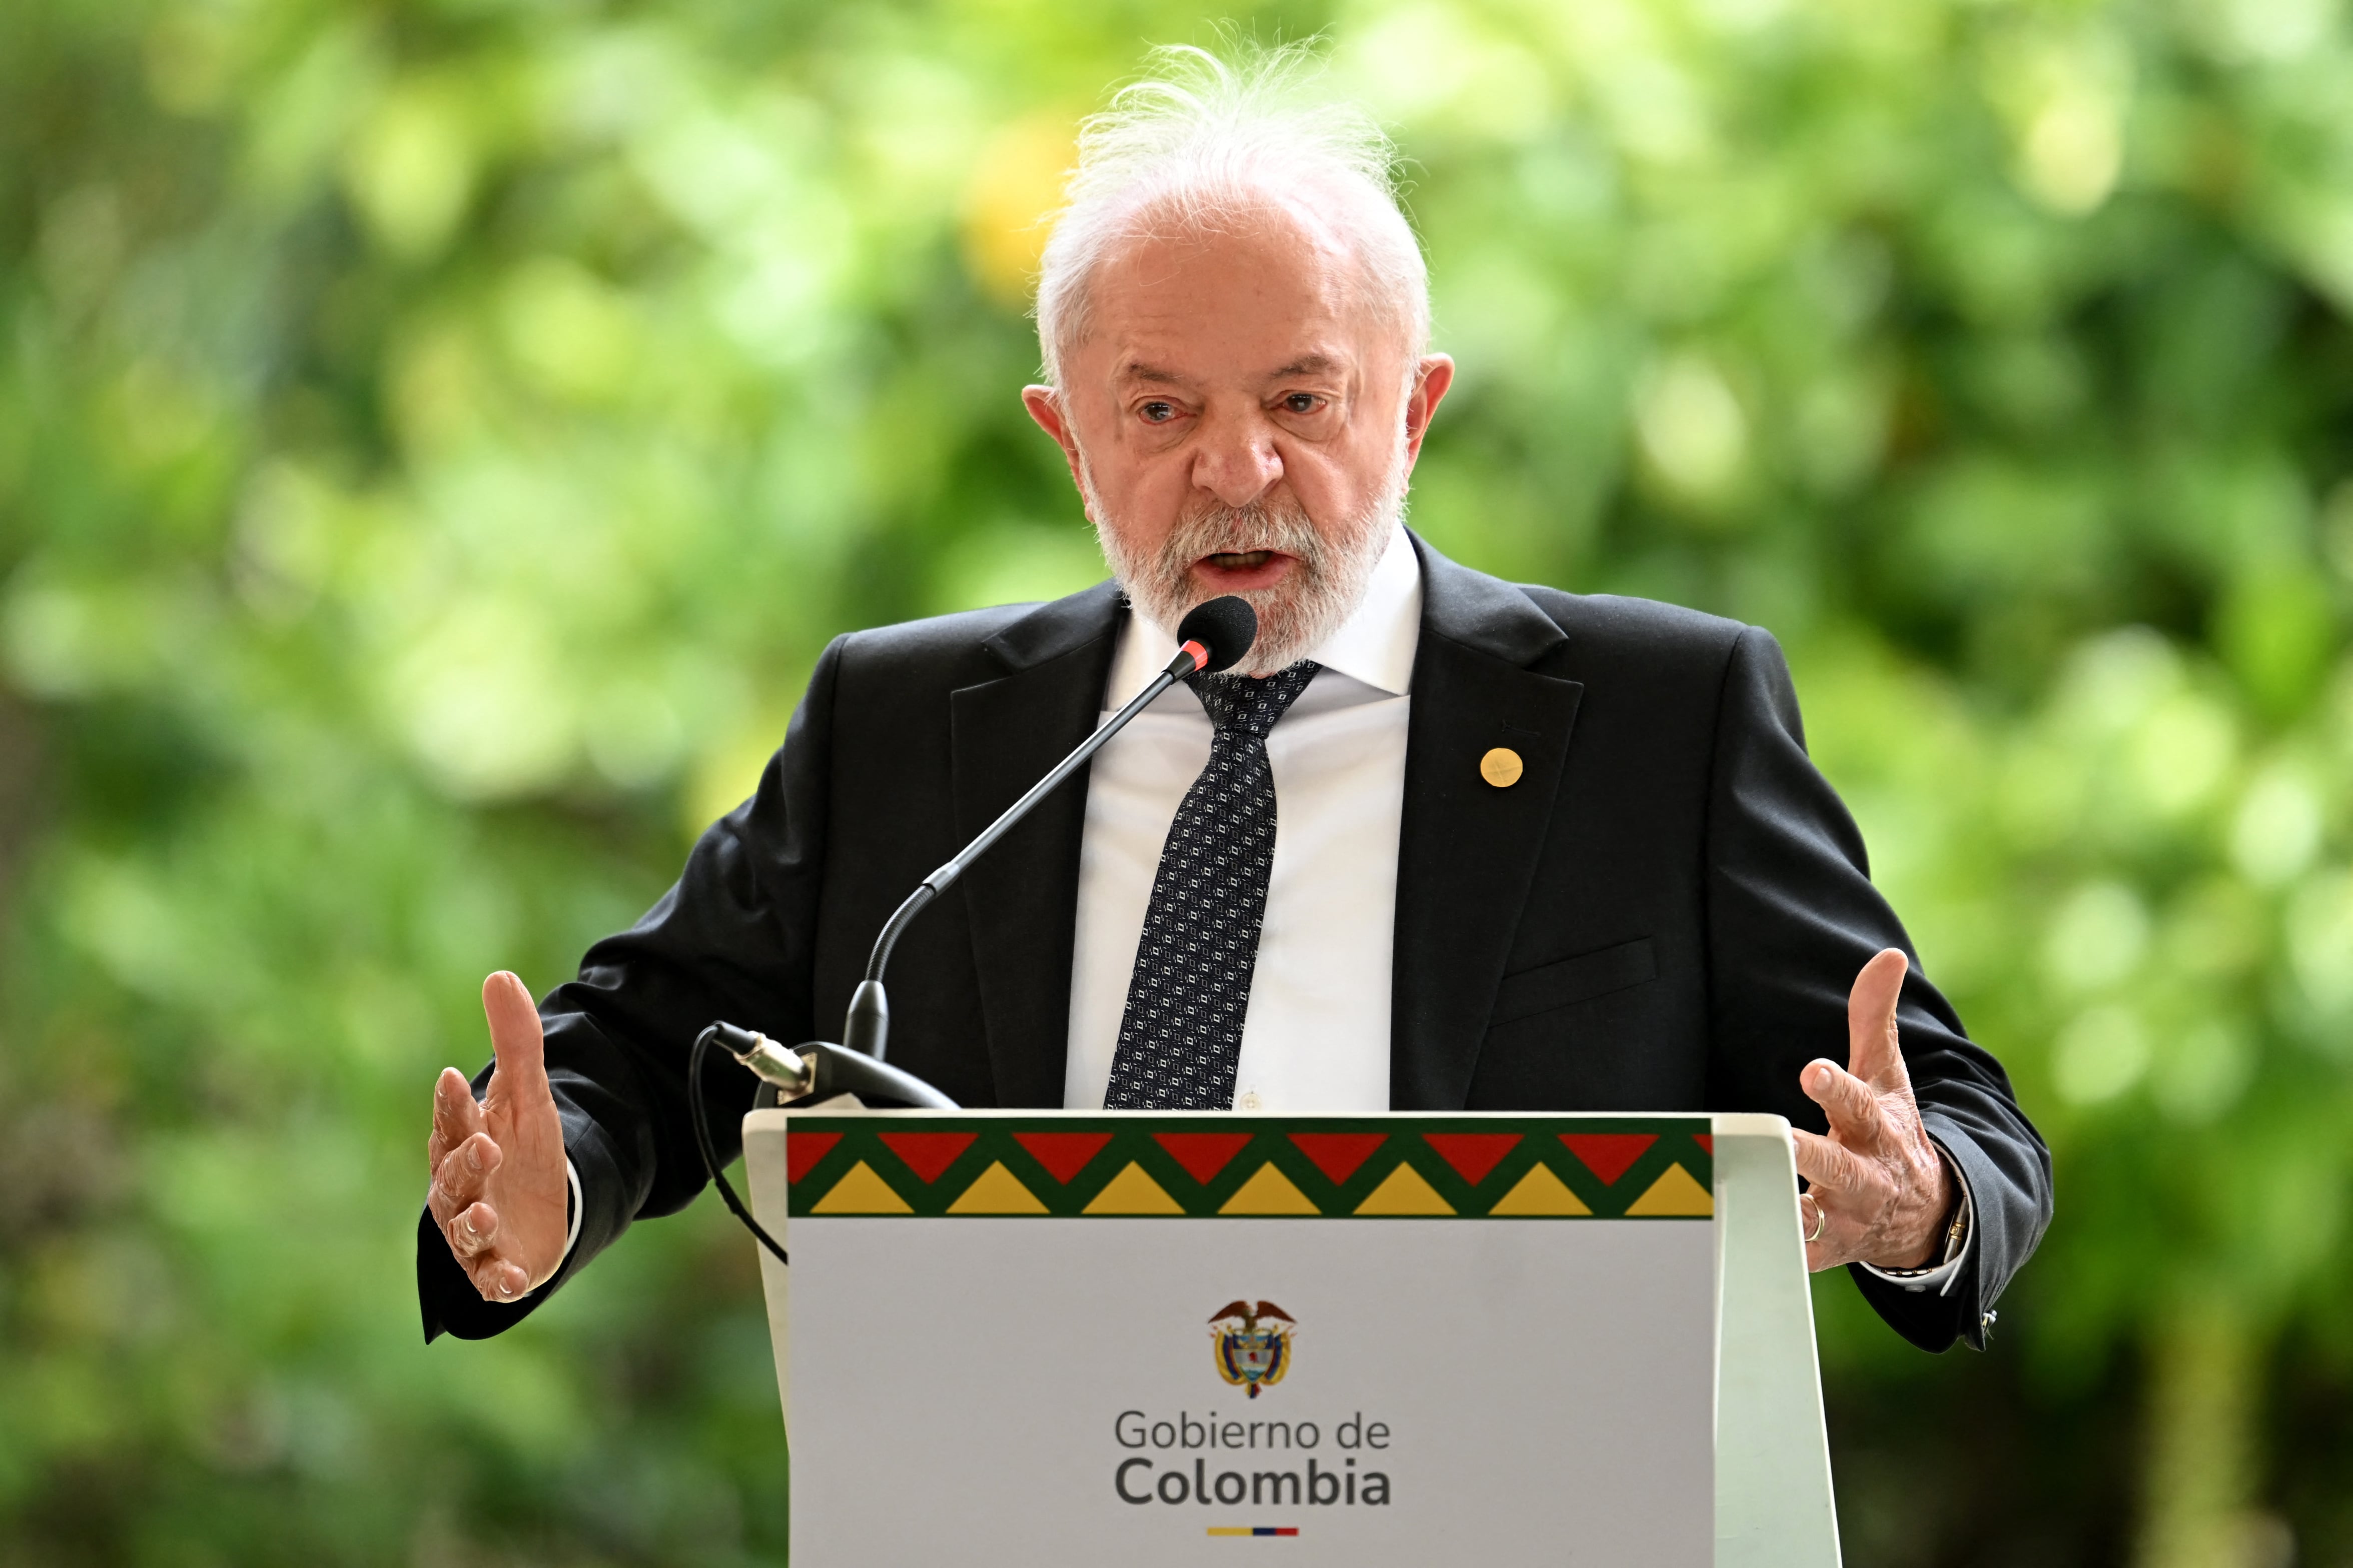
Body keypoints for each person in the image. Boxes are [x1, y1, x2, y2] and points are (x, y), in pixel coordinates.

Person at [420, 45, 2049, 1352]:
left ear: (1412, 412)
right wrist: (554, 1178)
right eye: (1161, 408)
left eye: (1301, 397)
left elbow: (1956, 1126)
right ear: (1072, 444)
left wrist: (1920, 1207)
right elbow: (642, 1044)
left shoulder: (1656, 723)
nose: (1238, 467)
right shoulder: (909, 727)